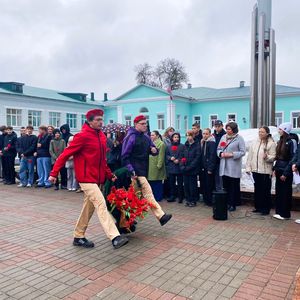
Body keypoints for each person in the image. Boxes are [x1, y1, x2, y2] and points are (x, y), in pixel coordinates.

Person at [49, 109, 128, 249]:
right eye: (97, 120)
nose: (100, 122)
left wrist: (110, 175)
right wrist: (54, 173)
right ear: (90, 121)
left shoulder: (102, 137)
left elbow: (102, 161)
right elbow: (64, 155)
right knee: (101, 203)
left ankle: (78, 236)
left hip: (97, 180)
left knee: (88, 208)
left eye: (101, 120)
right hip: (86, 179)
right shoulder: (82, 136)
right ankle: (114, 236)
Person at [122, 115, 172, 225]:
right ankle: (161, 216)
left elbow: (154, 150)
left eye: (146, 123)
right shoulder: (131, 137)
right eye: (142, 123)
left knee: (133, 198)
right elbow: (124, 156)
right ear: (136, 124)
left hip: (144, 170)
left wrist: (154, 150)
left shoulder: (146, 137)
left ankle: (125, 221)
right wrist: (131, 170)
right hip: (134, 172)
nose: (145, 125)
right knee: (148, 193)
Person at [245, 126, 276, 215]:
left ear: (267, 133)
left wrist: (267, 157)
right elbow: (250, 156)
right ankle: (258, 207)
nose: (260, 133)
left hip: (265, 171)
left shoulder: (271, 143)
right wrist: (248, 167)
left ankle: (265, 209)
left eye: (262, 132)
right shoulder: (255, 142)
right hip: (255, 170)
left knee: (265, 191)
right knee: (257, 189)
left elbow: (274, 157)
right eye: (259, 132)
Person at [217, 122, 245, 212]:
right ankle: (226, 203)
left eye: (229, 129)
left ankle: (233, 204)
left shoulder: (239, 138)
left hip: (233, 166)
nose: (227, 131)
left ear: (234, 129)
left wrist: (232, 154)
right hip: (224, 165)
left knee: (233, 187)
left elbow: (242, 152)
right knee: (225, 186)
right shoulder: (223, 137)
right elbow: (218, 148)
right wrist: (220, 153)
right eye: (227, 129)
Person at [273, 122, 294, 220]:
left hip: (286, 170)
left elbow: (292, 159)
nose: (279, 131)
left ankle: (285, 214)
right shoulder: (280, 141)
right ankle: (279, 211)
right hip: (279, 169)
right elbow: (278, 157)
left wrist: (286, 173)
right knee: (279, 191)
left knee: (285, 192)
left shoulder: (291, 141)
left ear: (285, 130)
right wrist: (274, 169)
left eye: (280, 129)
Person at [180, 130, 201, 207]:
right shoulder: (185, 145)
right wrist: (182, 165)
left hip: (193, 170)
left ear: (193, 136)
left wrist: (189, 167)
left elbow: (197, 158)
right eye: (187, 136)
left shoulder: (197, 145)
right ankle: (188, 199)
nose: (188, 137)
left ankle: (193, 200)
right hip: (185, 169)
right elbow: (182, 156)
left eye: (190, 135)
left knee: (192, 186)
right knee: (186, 185)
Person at [165, 132, 185, 203]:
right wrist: (170, 158)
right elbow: (166, 155)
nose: (176, 138)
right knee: (171, 183)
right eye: (175, 137)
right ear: (172, 138)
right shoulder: (168, 146)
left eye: (177, 137)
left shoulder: (182, 146)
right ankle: (172, 196)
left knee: (180, 183)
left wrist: (179, 160)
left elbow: (184, 156)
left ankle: (180, 197)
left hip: (179, 167)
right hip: (171, 167)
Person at [148, 130, 166, 202]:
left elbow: (161, 155)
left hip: (156, 165)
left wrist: (159, 165)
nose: (151, 136)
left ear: (157, 136)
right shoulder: (150, 143)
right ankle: (153, 197)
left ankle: (158, 197)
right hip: (150, 165)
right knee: (151, 181)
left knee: (157, 181)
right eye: (151, 135)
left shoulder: (161, 144)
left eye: (153, 135)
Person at [200, 128, 216, 206]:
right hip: (203, 167)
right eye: (203, 134)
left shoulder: (211, 143)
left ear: (210, 134)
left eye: (206, 134)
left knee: (209, 184)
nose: (205, 135)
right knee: (204, 184)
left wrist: (210, 168)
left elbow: (212, 156)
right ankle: (206, 200)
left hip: (208, 168)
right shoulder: (204, 142)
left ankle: (209, 201)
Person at [212, 120, 226, 191]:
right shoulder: (213, 135)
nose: (217, 128)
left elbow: (224, 147)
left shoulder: (225, 135)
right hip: (213, 159)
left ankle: (221, 192)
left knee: (220, 178)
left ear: (222, 126)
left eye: (219, 126)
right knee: (214, 178)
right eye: (216, 126)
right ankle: (216, 193)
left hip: (221, 159)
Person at [59, 123, 73, 189]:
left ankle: (69, 184)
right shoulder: (61, 136)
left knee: (68, 172)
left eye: (64, 129)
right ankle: (63, 183)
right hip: (61, 155)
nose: (63, 131)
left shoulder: (71, 136)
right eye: (62, 130)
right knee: (62, 171)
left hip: (68, 156)